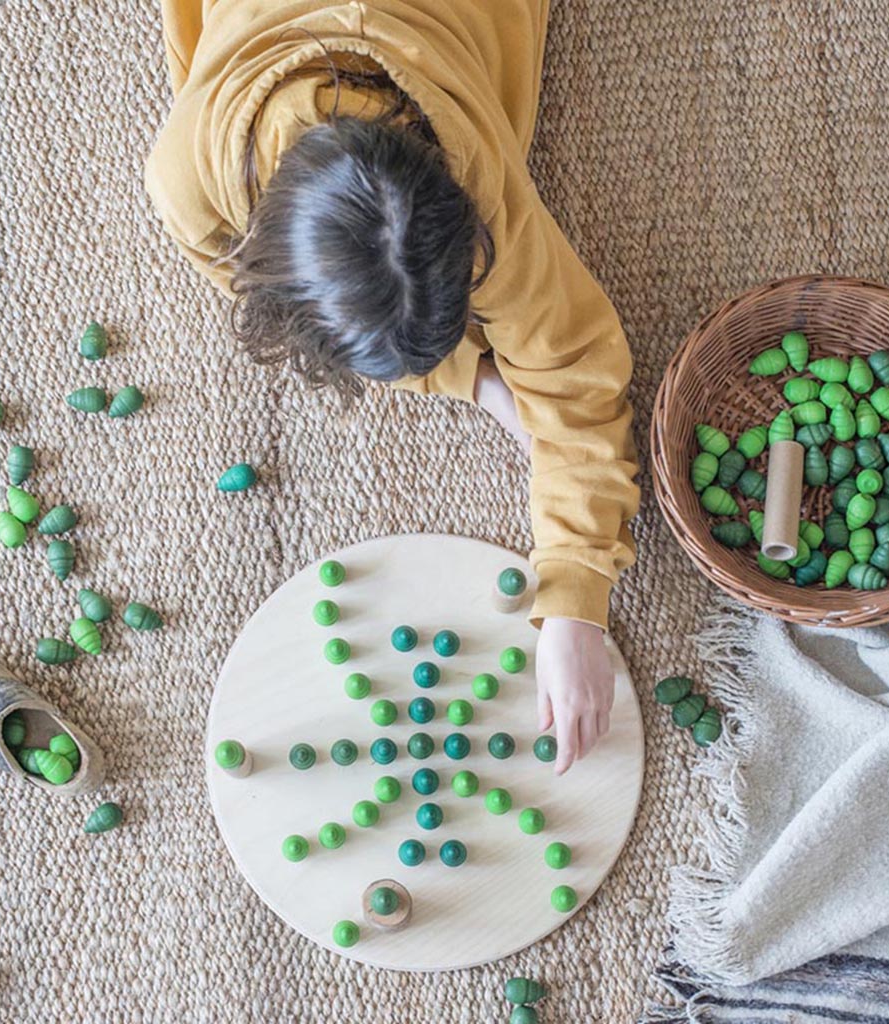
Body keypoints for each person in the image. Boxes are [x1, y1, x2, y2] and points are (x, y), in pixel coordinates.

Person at [145, 0, 640, 772]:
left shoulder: (483, 192)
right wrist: (475, 379)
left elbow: (576, 370)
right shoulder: (191, 182)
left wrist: (576, 598)